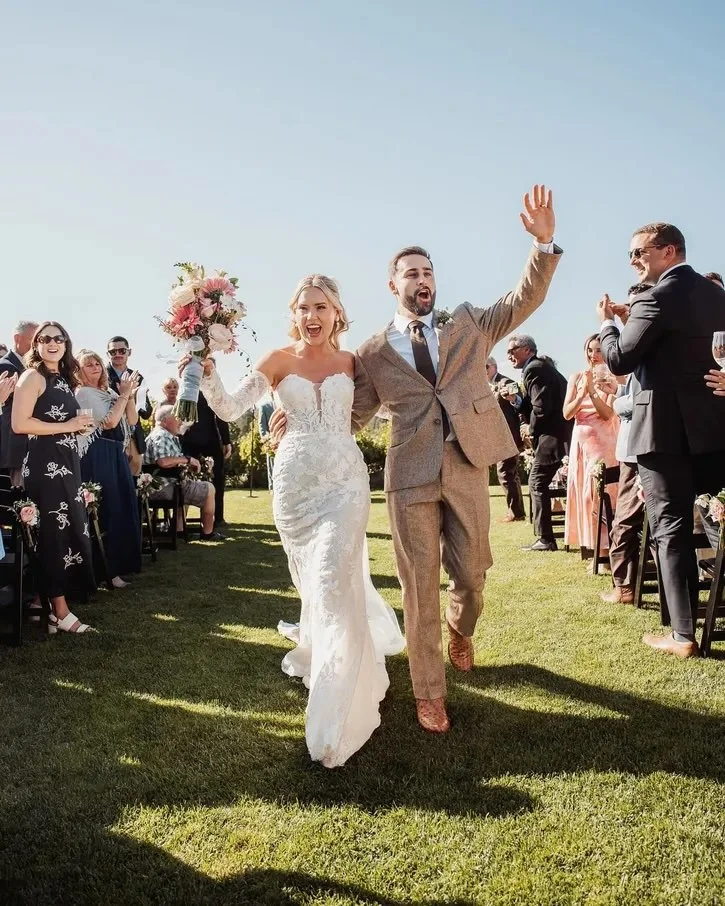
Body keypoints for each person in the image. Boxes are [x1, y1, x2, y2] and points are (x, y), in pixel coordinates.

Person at [275, 186, 561, 735]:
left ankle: (462, 627)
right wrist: (302, 415)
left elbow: (522, 299)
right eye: (411, 273)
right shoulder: (373, 351)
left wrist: (543, 246)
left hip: (468, 463)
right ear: (393, 284)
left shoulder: (470, 323)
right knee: (417, 584)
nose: (422, 279)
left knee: (473, 574)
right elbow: (352, 414)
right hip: (408, 476)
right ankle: (429, 693)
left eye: (427, 271)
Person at [191, 274, 406, 768]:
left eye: (321, 307)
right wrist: (206, 372)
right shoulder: (276, 361)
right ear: (294, 314)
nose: (312, 317)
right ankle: (327, 648)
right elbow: (227, 407)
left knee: (333, 576)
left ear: (337, 313)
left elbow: (386, 408)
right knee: (319, 583)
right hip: (295, 487)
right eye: (304, 308)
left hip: (346, 483)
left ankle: (339, 700)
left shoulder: (355, 364)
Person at [598, 222, 725, 658]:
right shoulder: (717, 295)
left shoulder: (655, 299)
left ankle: (683, 635)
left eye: (639, 252)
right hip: (715, 430)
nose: (633, 261)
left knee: (670, 529)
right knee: (712, 522)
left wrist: (608, 326)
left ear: (669, 250)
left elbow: (619, 360)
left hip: (663, 433)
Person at [11, 322, 96, 633]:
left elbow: (67, 421)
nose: (52, 343)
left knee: (69, 529)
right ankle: (60, 613)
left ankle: (50, 607)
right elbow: (20, 424)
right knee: (53, 535)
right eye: (44, 338)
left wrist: (79, 427)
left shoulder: (61, 379)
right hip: (45, 467)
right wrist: (69, 425)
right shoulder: (31, 377)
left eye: (58, 338)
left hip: (67, 464)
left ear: (66, 343)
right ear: (36, 344)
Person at [601, 283, 652, 603]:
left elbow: (633, 402)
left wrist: (615, 399)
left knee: (625, 520)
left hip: (637, 448)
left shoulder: (644, 346)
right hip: (636, 445)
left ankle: (623, 587)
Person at [76, 349, 142, 587]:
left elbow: (132, 421)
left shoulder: (109, 391)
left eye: (97, 363)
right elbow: (109, 422)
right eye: (88, 365)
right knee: (108, 511)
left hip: (115, 453)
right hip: (98, 454)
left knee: (122, 505)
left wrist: (129, 396)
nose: (96, 367)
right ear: (79, 371)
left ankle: (120, 566)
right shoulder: (83, 393)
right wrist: (123, 397)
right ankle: (106, 571)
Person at [508, 334, 571, 552]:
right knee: (538, 482)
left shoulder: (534, 368)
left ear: (527, 349)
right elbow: (533, 403)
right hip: (554, 434)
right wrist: (515, 401)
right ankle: (545, 537)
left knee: (536, 482)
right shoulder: (537, 367)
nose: (509, 356)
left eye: (512, 350)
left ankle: (546, 539)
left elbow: (541, 408)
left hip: (552, 436)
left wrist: (530, 430)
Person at [562, 334, 619, 558]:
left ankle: (607, 551)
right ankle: (593, 547)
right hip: (581, 446)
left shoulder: (613, 379)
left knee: (600, 494)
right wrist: (582, 392)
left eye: (598, 350)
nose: (593, 356)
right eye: (589, 350)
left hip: (604, 443)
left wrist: (593, 392)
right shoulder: (576, 377)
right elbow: (567, 413)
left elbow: (607, 413)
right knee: (584, 496)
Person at [144, 405, 223, 542]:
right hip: (163, 488)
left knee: (191, 485)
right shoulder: (161, 436)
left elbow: (172, 463)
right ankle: (207, 533)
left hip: (167, 484)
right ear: (165, 420)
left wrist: (193, 465)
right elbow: (163, 462)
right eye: (177, 418)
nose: (181, 421)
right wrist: (186, 459)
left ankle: (179, 530)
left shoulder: (166, 436)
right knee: (210, 488)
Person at [180, 388, 232, 529]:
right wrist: (226, 442)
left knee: (217, 480)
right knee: (186, 478)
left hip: (204, 441)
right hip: (193, 440)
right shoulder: (192, 388)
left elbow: (221, 416)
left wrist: (226, 441)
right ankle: (183, 520)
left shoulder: (205, 389)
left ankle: (218, 518)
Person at [486, 356, 525, 522]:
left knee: (505, 473)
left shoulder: (506, 381)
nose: (482, 370)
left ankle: (515, 512)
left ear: (494, 366)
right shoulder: (488, 386)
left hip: (509, 436)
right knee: (509, 473)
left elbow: (520, 400)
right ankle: (516, 511)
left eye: (485, 366)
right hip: (498, 437)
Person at [106, 336, 152, 476]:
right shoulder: (102, 375)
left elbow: (146, 413)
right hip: (112, 437)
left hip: (134, 439)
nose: (118, 354)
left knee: (135, 483)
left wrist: (139, 397)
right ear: (108, 354)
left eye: (122, 350)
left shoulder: (138, 377)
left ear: (129, 352)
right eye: (113, 352)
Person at [0, 320, 38, 485]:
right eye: (33, 340)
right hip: (15, 450)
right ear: (17, 338)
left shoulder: (34, 369)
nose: (37, 346)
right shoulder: (5, 367)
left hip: (31, 449)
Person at [258, 398, 275, 491]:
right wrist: (268, 441)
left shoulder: (286, 403)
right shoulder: (264, 407)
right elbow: (262, 427)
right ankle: (273, 489)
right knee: (272, 469)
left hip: (287, 442)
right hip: (272, 444)